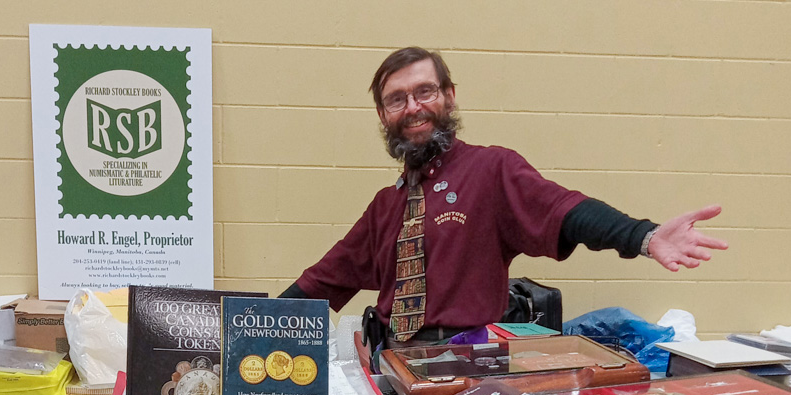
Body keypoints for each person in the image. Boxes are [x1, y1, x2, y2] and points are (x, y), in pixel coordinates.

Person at [280, 47, 728, 346]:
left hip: (470, 365)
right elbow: (323, 281)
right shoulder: (386, 203)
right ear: (383, 114)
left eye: (425, 91)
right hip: (394, 362)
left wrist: (644, 237)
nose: (413, 107)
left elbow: (566, 210)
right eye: (397, 99)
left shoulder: (492, 169)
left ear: (449, 97)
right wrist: (246, 327)